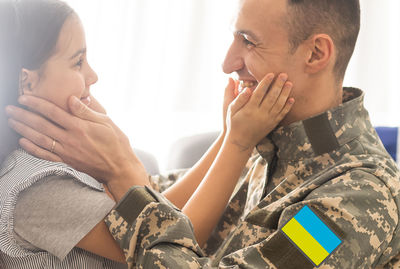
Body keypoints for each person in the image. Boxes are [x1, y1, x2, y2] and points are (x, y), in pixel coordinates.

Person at [5, 0, 400, 268]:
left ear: (316, 54)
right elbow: (157, 204)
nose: (228, 62)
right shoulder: (267, 147)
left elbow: (145, 209)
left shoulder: (348, 202)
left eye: (249, 42)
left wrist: (123, 170)